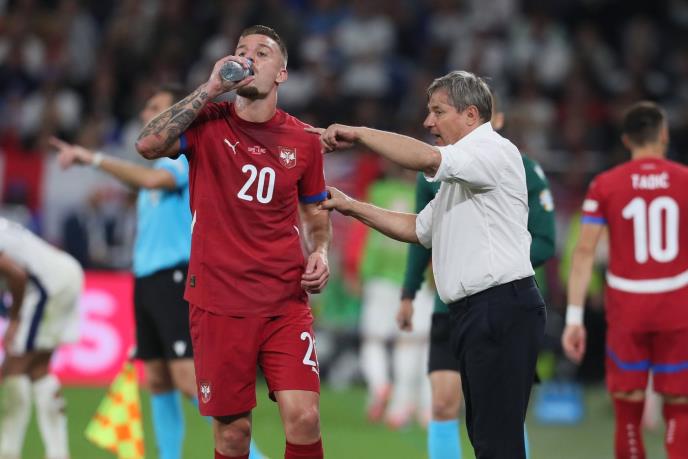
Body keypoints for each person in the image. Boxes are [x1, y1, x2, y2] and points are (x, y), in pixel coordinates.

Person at [312, 70, 546, 459]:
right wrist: (350, 206)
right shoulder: (463, 174)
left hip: (499, 306)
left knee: (497, 442)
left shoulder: (492, 151)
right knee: (487, 438)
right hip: (479, 311)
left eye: (438, 111)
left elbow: (426, 157)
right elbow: (418, 228)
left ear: (470, 115)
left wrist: (360, 134)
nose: (428, 122)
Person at [136, 25, 331, 459]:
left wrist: (320, 251)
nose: (248, 59)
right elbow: (147, 145)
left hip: (284, 300)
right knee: (232, 435)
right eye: (242, 51)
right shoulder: (207, 123)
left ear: (281, 73)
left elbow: (316, 211)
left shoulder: (303, 140)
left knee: (305, 418)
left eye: (262, 53)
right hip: (218, 301)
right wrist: (209, 88)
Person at [51, 86, 265, 459]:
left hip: (175, 277)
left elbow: (150, 182)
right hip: (146, 280)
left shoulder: (182, 160)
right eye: (147, 107)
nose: (146, 114)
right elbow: (144, 182)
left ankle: (255, 456)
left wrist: (93, 158)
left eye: (157, 108)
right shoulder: (156, 167)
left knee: (186, 378)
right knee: (157, 379)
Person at [398, 95, 556, 458]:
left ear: (491, 119)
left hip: (500, 301)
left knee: (502, 413)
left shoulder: (522, 168)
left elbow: (545, 241)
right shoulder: (435, 173)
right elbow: (421, 233)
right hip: (449, 306)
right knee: (443, 404)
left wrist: (492, 264)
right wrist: (409, 292)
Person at [563, 101, 688, 459]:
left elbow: (584, 252)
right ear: (663, 135)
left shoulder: (605, 185)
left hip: (627, 307)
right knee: (679, 403)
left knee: (628, 409)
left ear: (626, 140)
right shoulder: (684, 180)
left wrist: (574, 318)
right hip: (677, 305)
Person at [0, 217, 84, 459]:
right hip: (65, 272)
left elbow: (17, 275)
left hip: (47, 286)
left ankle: (8, 451)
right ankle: (58, 452)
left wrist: (15, 319)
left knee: (14, 366)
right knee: (38, 369)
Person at [357, 163, 433, 428]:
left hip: (379, 277)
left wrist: (361, 271)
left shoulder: (378, 191)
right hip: (415, 278)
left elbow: (363, 233)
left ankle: (379, 384)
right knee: (414, 343)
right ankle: (406, 407)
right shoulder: (427, 196)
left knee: (373, 340)